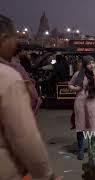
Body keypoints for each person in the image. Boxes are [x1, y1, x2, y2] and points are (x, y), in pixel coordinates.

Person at [0, 14, 60, 180]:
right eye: (15, 39)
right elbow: (24, 137)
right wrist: (46, 175)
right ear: (4, 38)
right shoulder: (8, 78)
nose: (16, 45)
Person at [68, 55, 95, 160]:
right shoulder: (78, 74)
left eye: (93, 63)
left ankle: (94, 150)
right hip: (80, 104)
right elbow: (70, 84)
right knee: (80, 127)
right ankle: (81, 150)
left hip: (92, 104)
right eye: (89, 63)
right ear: (84, 64)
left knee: (93, 127)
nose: (91, 65)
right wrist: (75, 88)